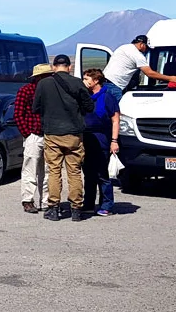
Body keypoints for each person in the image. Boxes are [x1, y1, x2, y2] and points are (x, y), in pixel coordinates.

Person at [33, 54, 95, 222]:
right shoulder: (77, 83)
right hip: (74, 133)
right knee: (74, 172)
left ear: (54, 67)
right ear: (69, 67)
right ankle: (76, 209)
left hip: (52, 133)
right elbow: (90, 107)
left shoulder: (43, 84)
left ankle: (53, 208)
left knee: (54, 171)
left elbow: (35, 108)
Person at [81, 68, 120, 217]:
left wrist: (114, 141)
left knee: (102, 173)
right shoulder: (85, 97)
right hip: (86, 139)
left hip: (102, 139)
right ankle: (89, 203)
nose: (84, 82)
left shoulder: (107, 97)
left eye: (86, 79)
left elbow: (115, 120)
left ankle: (107, 205)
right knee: (88, 173)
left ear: (96, 80)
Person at [14, 63, 53, 213]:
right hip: (34, 135)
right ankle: (27, 200)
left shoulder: (51, 92)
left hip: (49, 134)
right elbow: (18, 114)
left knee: (48, 171)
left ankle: (46, 201)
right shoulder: (26, 91)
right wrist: (27, 133)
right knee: (30, 169)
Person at [102, 35, 176, 101]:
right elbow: (149, 73)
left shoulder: (124, 47)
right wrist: (171, 78)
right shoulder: (137, 55)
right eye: (146, 48)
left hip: (104, 82)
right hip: (115, 86)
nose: (146, 51)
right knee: (115, 114)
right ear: (141, 44)